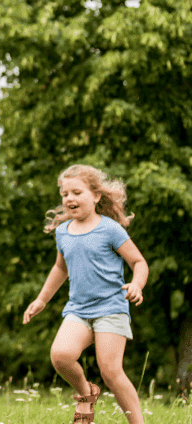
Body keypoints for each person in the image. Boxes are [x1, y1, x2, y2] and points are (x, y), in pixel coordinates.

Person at [23, 164, 149, 424]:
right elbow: (60, 268)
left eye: (77, 192)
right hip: (78, 309)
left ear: (96, 196)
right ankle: (86, 394)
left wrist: (137, 284)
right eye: (64, 193)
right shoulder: (63, 232)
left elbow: (139, 262)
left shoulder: (110, 229)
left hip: (111, 308)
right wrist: (41, 299)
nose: (69, 198)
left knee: (111, 372)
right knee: (60, 355)